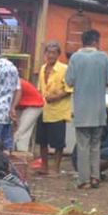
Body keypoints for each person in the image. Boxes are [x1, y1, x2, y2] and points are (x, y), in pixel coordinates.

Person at [66, 29, 108, 189]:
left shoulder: (75, 58)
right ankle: (95, 177)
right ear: (95, 41)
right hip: (98, 110)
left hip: (81, 109)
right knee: (95, 145)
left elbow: (69, 81)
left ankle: (83, 180)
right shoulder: (104, 57)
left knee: (83, 146)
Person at [35, 41, 72, 175]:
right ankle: (44, 166)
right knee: (42, 140)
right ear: (45, 54)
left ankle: (55, 168)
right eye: (48, 52)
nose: (51, 55)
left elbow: (69, 89)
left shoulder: (64, 69)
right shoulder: (42, 68)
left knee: (58, 142)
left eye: (54, 53)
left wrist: (56, 97)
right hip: (43, 109)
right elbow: (40, 89)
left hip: (58, 110)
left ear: (58, 54)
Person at [72, 94, 108, 175]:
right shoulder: (97, 125)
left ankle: (95, 172)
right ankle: (88, 172)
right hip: (82, 158)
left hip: (92, 154)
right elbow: (96, 146)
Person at [12, 78, 44, 153]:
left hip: (35, 104)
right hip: (23, 105)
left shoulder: (13, 81)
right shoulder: (13, 79)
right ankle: (21, 152)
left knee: (21, 131)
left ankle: (20, 153)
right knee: (22, 131)